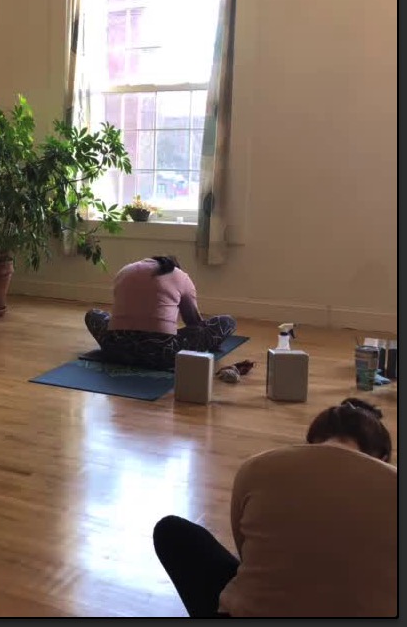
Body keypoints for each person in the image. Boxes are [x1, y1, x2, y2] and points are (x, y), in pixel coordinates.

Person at [151, 398, 396, 618]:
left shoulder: (257, 467)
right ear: (383, 457)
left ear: (312, 442)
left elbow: (244, 549)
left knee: (172, 531)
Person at [84, 255, 236, 370]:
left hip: (115, 348)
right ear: (176, 267)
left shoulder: (124, 271)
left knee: (93, 314)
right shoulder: (180, 276)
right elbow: (194, 322)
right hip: (162, 353)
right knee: (227, 322)